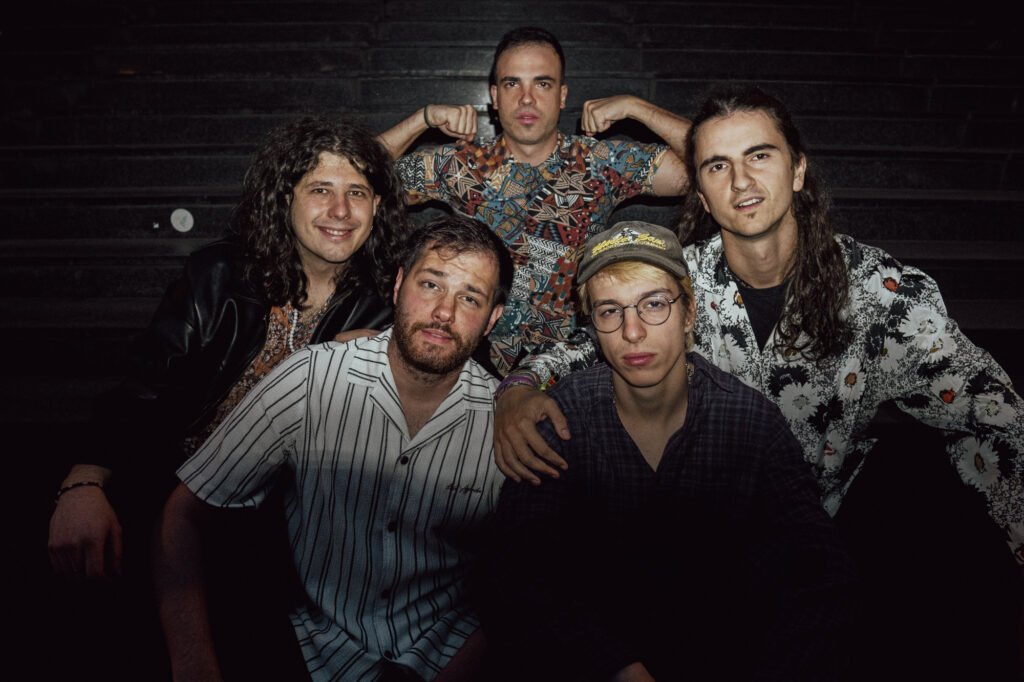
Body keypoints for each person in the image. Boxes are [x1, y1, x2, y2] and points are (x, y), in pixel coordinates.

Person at [493, 86, 1024, 677]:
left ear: (797, 170)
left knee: (922, 503)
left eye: (759, 156)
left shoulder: (881, 293)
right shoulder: (677, 285)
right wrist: (517, 388)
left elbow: (994, 413)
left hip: (824, 532)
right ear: (701, 193)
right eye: (718, 166)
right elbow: (585, 346)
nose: (741, 181)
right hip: (701, 549)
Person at [47, 116, 405, 679]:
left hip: (285, 522)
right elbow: (144, 390)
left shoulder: (387, 307)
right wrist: (85, 484)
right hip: (168, 484)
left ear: (377, 206)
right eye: (320, 189)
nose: (340, 210)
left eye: (357, 192)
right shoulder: (219, 276)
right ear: (284, 199)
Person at [476, 222, 856, 681]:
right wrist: (613, 665)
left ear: (689, 312)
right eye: (610, 311)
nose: (633, 332)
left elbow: (818, 577)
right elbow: (517, 573)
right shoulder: (563, 420)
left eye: (654, 304)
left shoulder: (750, 424)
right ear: (592, 324)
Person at [154, 215, 512, 682]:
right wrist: (194, 664)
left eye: (470, 298)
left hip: (451, 659)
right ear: (399, 285)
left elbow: (526, 581)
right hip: (309, 652)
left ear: (492, 319)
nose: (444, 312)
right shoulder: (311, 379)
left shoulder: (507, 420)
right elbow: (183, 515)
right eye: (430, 284)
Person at [377, 26, 690, 375]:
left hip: (576, 367)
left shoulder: (602, 162)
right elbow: (354, 174)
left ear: (562, 95)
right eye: (512, 83)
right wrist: (422, 120)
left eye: (542, 84)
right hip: (473, 365)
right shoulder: (458, 165)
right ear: (495, 96)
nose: (526, 99)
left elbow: (708, 168)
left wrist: (637, 108)